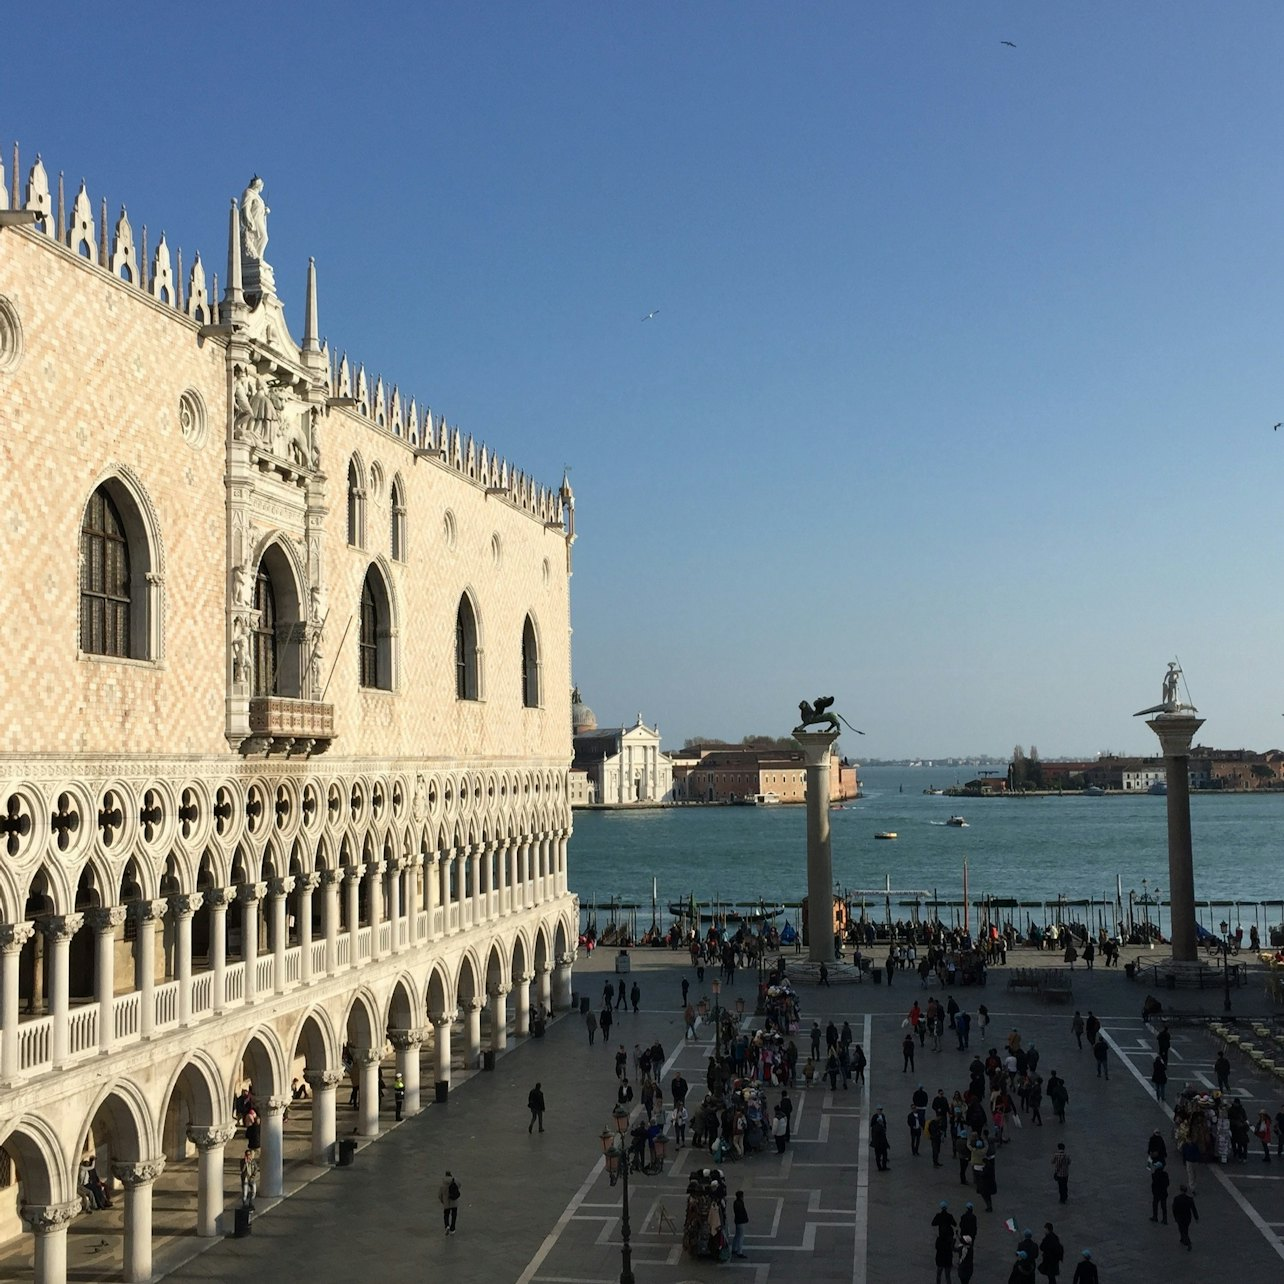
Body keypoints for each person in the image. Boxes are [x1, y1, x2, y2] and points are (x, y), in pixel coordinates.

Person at [1171, 1184, 1197, 1249]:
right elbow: (1194, 1209)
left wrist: (1175, 1217)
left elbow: (1174, 1209)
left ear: (1180, 1190)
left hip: (1180, 1217)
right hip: (1188, 1217)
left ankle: (1188, 1242)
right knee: (1185, 1229)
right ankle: (1183, 1239)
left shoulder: (1177, 1199)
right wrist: (1196, 1217)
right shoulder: (1190, 1199)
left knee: (1182, 1229)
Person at [870, 1106, 890, 1171]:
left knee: (879, 1156)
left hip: (878, 1144)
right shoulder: (879, 1128)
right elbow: (882, 1137)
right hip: (880, 1144)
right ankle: (882, 1167)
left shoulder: (877, 1127)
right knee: (882, 1155)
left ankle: (881, 1167)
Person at [1150, 1160, 1170, 1224]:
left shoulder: (1154, 1175)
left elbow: (1154, 1184)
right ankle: (1165, 1219)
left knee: (1155, 1205)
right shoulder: (1165, 1174)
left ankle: (1155, 1217)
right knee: (1163, 1206)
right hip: (1163, 1192)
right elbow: (1167, 1183)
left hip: (1156, 1193)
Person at [732, 1190, 749, 1258]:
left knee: (737, 1235)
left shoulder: (735, 1202)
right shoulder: (740, 1203)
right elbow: (742, 1212)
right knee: (741, 1236)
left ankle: (734, 1248)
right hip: (741, 1221)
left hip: (737, 1221)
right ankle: (739, 1251)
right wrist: (745, 1219)